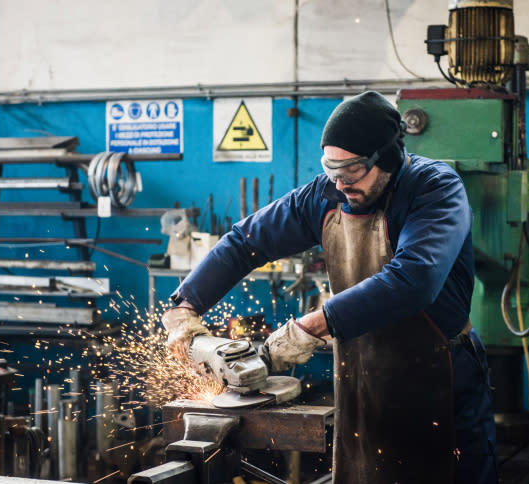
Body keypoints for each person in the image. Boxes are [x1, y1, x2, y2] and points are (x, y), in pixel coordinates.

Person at [162, 91, 498, 484]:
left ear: (386, 157)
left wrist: (310, 326)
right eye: (331, 170)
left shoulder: (435, 189)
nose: (339, 184)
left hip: (441, 380)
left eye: (351, 172)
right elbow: (246, 242)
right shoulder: (325, 194)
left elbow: (414, 279)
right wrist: (186, 305)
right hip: (362, 377)